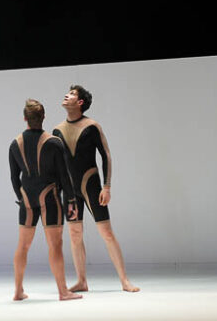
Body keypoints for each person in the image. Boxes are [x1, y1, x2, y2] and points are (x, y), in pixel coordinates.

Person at [53, 85, 140, 293]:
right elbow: (57, 165)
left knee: (106, 232)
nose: (66, 95)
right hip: (70, 192)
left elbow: (106, 155)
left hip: (91, 186)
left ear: (80, 102)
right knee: (75, 234)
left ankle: (124, 280)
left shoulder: (92, 126)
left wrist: (106, 186)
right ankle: (81, 281)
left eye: (71, 94)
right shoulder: (57, 131)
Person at [9, 99, 82, 302]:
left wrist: (21, 198)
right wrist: (71, 201)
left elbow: (14, 178)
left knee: (23, 246)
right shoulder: (54, 143)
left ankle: (18, 291)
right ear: (43, 117)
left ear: (25, 118)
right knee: (55, 245)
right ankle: (63, 291)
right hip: (49, 198)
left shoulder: (15, 144)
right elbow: (64, 176)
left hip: (27, 199)